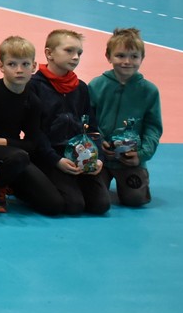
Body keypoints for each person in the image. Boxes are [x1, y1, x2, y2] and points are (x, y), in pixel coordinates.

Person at [0, 36, 65, 216]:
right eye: (12, 64)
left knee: (55, 205)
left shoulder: (33, 101)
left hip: (14, 156)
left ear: (34, 66)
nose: (19, 70)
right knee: (19, 157)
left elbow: (32, 144)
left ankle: (11, 184)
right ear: (1, 66)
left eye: (25, 64)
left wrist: (2, 141)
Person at [30, 29, 109, 215]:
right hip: (49, 156)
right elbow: (34, 131)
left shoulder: (80, 88)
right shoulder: (34, 86)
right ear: (49, 53)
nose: (75, 57)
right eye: (69, 51)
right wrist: (56, 160)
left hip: (78, 155)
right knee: (73, 205)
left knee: (100, 205)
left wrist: (98, 158)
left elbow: (92, 127)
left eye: (79, 53)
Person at [88, 27, 162, 208]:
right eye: (120, 56)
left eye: (134, 56)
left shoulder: (149, 91)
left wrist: (141, 155)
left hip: (130, 159)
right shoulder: (96, 85)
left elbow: (153, 127)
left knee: (135, 199)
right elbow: (88, 119)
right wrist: (98, 142)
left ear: (142, 58)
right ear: (108, 56)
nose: (127, 62)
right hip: (100, 158)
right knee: (94, 201)